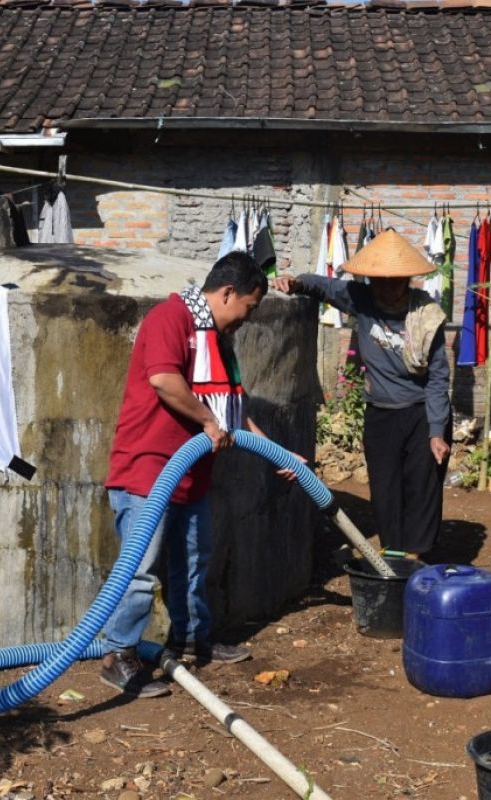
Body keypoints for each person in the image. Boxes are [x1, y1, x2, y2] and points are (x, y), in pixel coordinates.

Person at [101, 251, 296, 698]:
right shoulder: (170, 319)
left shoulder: (217, 341)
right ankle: (118, 655)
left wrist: (278, 453)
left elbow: (232, 410)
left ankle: (191, 641)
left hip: (190, 476)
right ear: (227, 293)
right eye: (249, 306)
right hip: (149, 470)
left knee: (192, 561)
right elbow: (164, 380)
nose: (247, 318)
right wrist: (208, 423)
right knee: (140, 571)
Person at [273, 229, 451, 557]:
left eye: (394, 281)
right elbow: (324, 286)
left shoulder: (426, 316)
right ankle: (394, 552)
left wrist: (437, 431)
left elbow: (438, 378)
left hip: (421, 411)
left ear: (407, 279)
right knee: (384, 486)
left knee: (422, 485)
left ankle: (419, 554)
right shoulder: (362, 298)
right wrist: (295, 281)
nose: (386, 288)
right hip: (380, 411)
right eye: (378, 281)